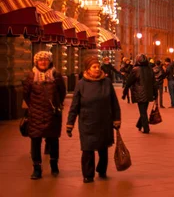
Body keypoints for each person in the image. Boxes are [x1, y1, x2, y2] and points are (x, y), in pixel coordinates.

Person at [66, 56, 121, 183]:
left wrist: (116, 119)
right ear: (88, 69)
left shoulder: (106, 82)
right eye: (94, 67)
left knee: (103, 147)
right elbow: (75, 106)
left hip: (104, 121)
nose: (97, 69)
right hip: (87, 122)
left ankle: (102, 169)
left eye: (98, 67)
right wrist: (70, 123)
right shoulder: (81, 84)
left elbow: (114, 102)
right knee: (87, 149)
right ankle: (88, 174)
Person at [22, 51, 66, 180]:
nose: (43, 62)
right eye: (40, 60)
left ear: (50, 61)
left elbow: (62, 93)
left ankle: (54, 164)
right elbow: (26, 95)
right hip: (35, 114)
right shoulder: (31, 76)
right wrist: (34, 107)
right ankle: (37, 169)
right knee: (35, 141)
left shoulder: (56, 75)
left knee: (53, 140)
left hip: (52, 113)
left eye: (45, 60)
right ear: (36, 62)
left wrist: (56, 104)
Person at [123, 54, 156, 133]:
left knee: (143, 111)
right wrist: (155, 93)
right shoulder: (150, 69)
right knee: (144, 110)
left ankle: (146, 128)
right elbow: (154, 82)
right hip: (148, 92)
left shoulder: (135, 69)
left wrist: (125, 92)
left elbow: (129, 82)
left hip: (139, 93)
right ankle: (139, 124)